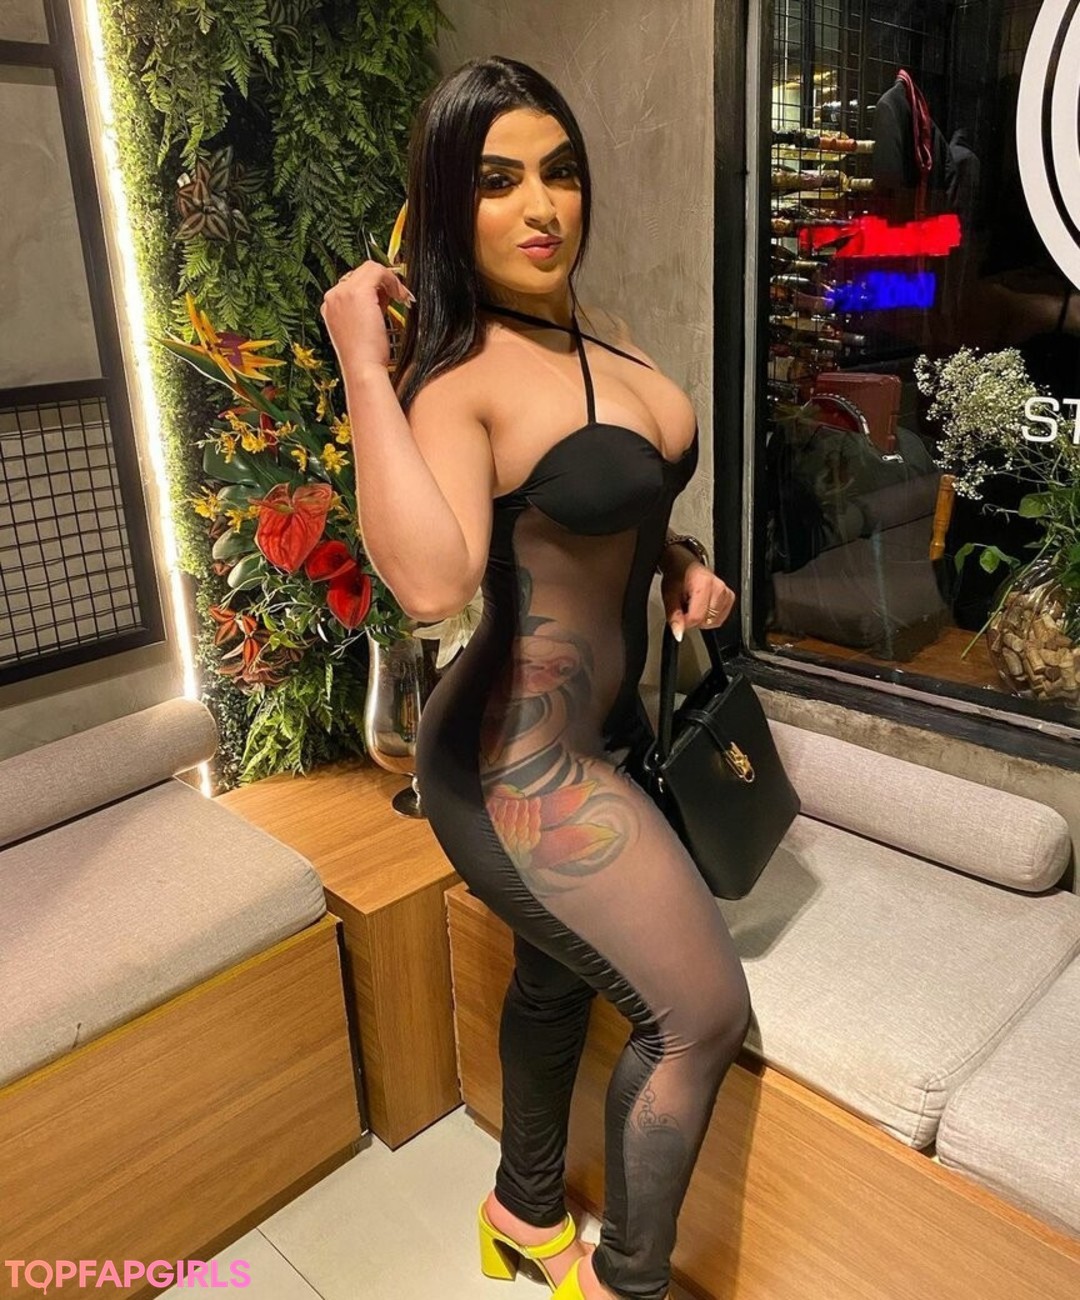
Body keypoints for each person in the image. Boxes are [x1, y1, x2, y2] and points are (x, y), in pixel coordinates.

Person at [321, 55, 751, 1300]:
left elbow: (593, 500)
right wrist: (364, 363)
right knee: (700, 1014)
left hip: (606, 734)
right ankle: (630, 1282)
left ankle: (522, 1206)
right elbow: (431, 583)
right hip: (513, 759)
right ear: (447, 205)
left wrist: (676, 559)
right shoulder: (453, 381)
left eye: (559, 172)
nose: (542, 206)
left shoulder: (594, 333)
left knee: (557, 976)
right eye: (498, 181)